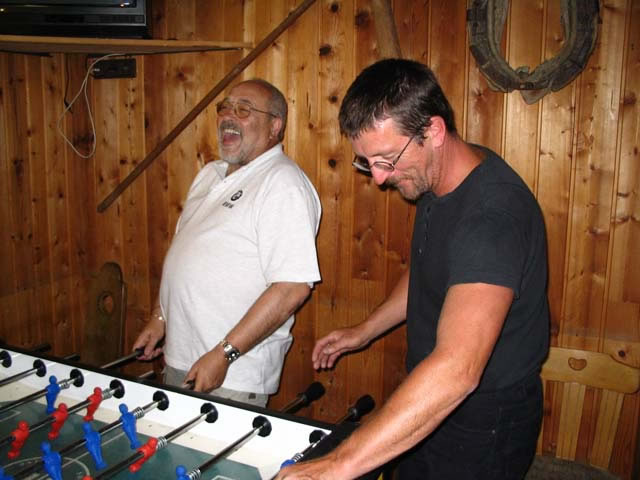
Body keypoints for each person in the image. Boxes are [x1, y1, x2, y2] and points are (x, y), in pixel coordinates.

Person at [276, 59, 549, 479]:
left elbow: (457, 370)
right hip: (431, 393)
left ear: (434, 131)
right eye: (367, 162)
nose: (378, 178)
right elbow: (428, 271)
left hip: (483, 421)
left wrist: (336, 466)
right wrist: (364, 331)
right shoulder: (438, 177)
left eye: (386, 159)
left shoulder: (492, 219)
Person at [133, 79, 321, 407]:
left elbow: (292, 288)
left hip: (232, 373)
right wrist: (159, 318)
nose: (229, 117)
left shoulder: (283, 183)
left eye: (244, 110)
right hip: (181, 357)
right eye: (225, 108)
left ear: (275, 126)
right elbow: (184, 254)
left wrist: (223, 355)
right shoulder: (209, 174)